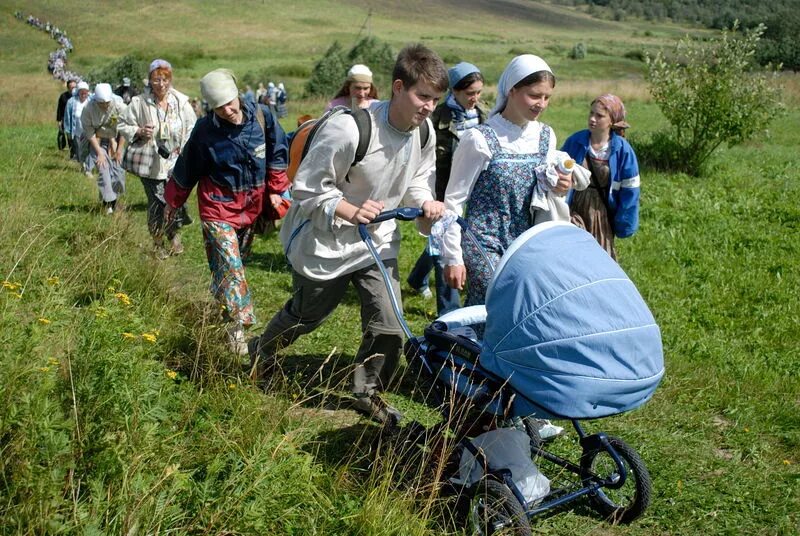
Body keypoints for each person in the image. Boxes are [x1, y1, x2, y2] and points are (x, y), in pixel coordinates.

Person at [250, 44, 449, 425]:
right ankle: (263, 350)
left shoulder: (423, 133)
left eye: (435, 99)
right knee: (307, 314)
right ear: (396, 87)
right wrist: (350, 210)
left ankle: (366, 390)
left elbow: (418, 181)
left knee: (388, 325)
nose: (428, 107)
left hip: (377, 242)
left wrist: (426, 203)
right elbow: (307, 188)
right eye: (422, 96)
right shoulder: (350, 128)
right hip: (328, 240)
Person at [441, 55, 570, 441]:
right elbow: (453, 200)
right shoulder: (479, 139)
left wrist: (558, 185)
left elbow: (546, 186)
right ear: (510, 90)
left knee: (530, 320)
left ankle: (521, 406)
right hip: (484, 239)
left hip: (525, 240)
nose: (540, 104)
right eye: (533, 95)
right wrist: (452, 254)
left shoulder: (546, 137)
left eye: (547, 97)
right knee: (500, 318)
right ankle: (482, 406)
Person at [164, 69, 290, 355]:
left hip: (251, 210)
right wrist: (173, 202)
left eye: (230, 102)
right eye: (220, 107)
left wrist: (276, 188)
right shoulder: (205, 131)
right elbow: (187, 168)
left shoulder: (262, 116)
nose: (228, 110)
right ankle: (239, 331)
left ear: (237, 94)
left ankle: (226, 320)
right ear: (211, 106)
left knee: (232, 269)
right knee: (232, 269)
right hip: (217, 207)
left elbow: (278, 149)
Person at [406, 62, 486, 315]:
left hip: (473, 192)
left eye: (479, 92)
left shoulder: (484, 117)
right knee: (444, 246)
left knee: (444, 241)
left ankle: (418, 277)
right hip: (442, 193)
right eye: (469, 93)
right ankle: (450, 313)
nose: (474, 98)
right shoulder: (436, 119)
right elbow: (424, 160)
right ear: (455, 91)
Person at [118, 59, 197, 259]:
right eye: (156, 79)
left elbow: (192, 127)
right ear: (150, 81)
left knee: (176, 201)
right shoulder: (139, 103)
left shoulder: (181, 102)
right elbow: (122, 125)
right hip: (152, 162)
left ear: (170, 79)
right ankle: (159, 241)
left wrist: (186, 151)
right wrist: (138, 130)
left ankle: (173, 233)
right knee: (158, 202)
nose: (160, 84)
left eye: (164, 79)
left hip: (176, 162)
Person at [562, 94, 640, 260]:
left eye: (599, 116)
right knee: (572, 255)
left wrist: (624, 223)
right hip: (575, 207)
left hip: (601, 212)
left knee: (598, 258)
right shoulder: (575, 142)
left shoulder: (622, 151)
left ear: (612, 120)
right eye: (591, 113)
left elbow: (630, 191)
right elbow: (559, 170)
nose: (592, 119)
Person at [81, 82, 127, 214]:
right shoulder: (88, 109)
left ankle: (115, 199)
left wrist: (118, 150)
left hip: (117, 141)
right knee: (104, 171)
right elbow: (89, 132)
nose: (104, 106)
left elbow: (124, 129)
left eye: (107, 103)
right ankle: (108, 204)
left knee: (118, 174)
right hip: (98, 141)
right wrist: (99, 153)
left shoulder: (119, 106)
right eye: (101, 103)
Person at [63, 80, 90, 164]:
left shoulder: (91, 101)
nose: (83, 94)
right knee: (78, 150)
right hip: (77, 131)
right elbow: (67, 117)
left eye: (85, 93)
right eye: (81, 92)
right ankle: (81, 164)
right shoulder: (71, 102)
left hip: (89, 131)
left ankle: (87, 165)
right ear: (78, 92)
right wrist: (67, 130)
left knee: (88, 150)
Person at [56, 79, 77, 153]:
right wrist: (59, 121)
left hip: (76, 118)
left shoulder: (79, 96)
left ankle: (75, 151)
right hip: (65, 118)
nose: (74, 89)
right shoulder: (63, 96)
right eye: (72, 87)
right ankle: (71, 151)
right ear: (68, 88)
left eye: (75, 87)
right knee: (69, 135)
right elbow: (59, 109)